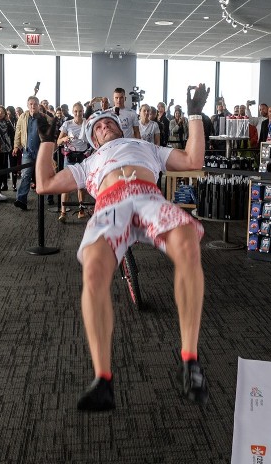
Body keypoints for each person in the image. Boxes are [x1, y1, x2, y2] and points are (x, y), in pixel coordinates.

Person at [35, 84, 211, 411]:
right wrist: (46, 141)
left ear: (121, 126)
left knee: (187, 243)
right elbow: (45, 184)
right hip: (108, 205)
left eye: (109, 123)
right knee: (94, 271)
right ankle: (103, 379)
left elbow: (192, 159)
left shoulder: (144, 145)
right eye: (97, 127)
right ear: (93, 141)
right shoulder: (90, 162)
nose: (104, 126)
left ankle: (190, 361)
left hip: (148, 197)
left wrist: (196, 116)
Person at [55, 101, 90, 222]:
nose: (78, 113)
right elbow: (58, 142)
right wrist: (64, 138)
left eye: (80, 111)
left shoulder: (87, 123)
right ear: (72, 112)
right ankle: (63, 213)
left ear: (83, 112)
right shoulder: (67, 124)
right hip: (69, 156)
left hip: (83, 157)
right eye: (76, 111)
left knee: (81, 185)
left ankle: (81, 210)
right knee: (66, 185)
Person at [12, 95, 42, 210]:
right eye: (31, 104)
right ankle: (21, 200)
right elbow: (18, 132)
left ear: (38, 105)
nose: (33, 106)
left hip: (41, 152)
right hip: (27, 152)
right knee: (25, 176)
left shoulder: (43, 117)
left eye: (35, 104)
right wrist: (16, 146)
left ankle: (48, 198)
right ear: (27, 105)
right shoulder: (23, 117)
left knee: (42, 176)